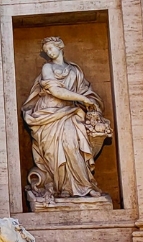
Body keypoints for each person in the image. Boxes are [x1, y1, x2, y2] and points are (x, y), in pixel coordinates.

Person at [21, 37, 106, 201]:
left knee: (73, 144)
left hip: (70, 112)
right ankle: (61, 188)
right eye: (46, 51)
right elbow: (56, 91)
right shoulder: (47, 67)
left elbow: (86, 92)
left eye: (51, 49)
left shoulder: (75, 71)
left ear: (60, 47)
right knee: (53, 152)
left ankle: (84, 186)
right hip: (48, 115)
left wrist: (90, 101)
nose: (49, 53)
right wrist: (83, 100)